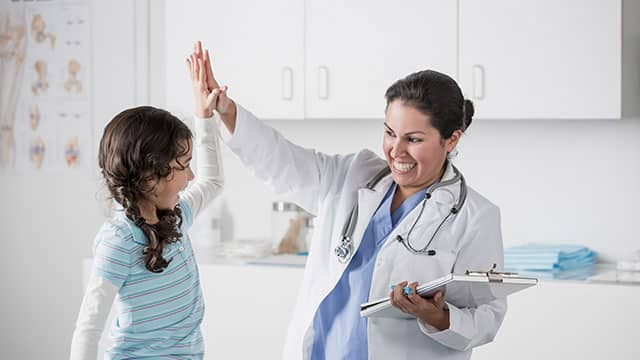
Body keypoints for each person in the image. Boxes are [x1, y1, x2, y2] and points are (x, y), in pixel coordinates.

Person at [193, 41, 506, 359]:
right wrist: (226, 110)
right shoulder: (352, 175)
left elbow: (487, 316)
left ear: (451, 139)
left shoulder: (475, 216)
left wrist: (435, 316)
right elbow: (281, 160)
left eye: (413, 139)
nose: (396, 151)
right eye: (389, 133)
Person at [69, 47, 225, 359]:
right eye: (183, 165)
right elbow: (88, 329)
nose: (191, 175)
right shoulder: (119, 241)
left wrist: (204, 115)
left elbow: (213, 182)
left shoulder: (175, 217)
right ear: (150, 176)